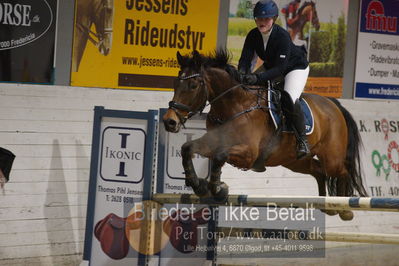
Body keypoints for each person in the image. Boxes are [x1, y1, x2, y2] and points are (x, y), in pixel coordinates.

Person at [238, 0, 310, 167]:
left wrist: (257, 78)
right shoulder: (253, 35)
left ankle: (302, 141)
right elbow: (245, 60)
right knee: (248, 90)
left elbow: (280, 69)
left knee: (289, 98)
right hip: (273, 66)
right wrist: (242, 75)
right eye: (259, 19)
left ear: (274, 19)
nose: (262, 22)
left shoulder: (282, 36)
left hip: (294, 67)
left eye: (267, 19)